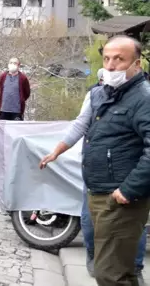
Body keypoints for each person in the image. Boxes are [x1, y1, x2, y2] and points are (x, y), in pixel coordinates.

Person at [40, 35, 150, 286]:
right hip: (97, 189)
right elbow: (81, 124)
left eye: (119, 60)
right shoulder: (102, 94)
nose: (110, 66)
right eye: (107, 59)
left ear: (137, 65)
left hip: (121, 196)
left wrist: (129, 189)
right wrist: (58, 149)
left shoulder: (143, 98)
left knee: (109, 274)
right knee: (118, 271)